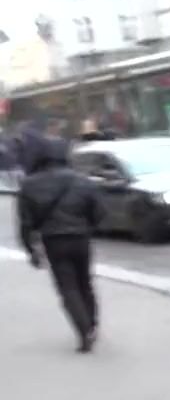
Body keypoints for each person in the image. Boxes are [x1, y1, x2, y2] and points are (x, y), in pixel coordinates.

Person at [17, 137, 105, 353]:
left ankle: (84, 331)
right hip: (81, 238)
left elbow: (26, 223)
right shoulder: (82, 181)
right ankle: (92, 323)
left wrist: (31, 250)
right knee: (85, 282)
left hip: (53, 241)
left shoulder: (29, 185)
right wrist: (88, 227)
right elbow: (99, 212)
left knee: (68, 288)